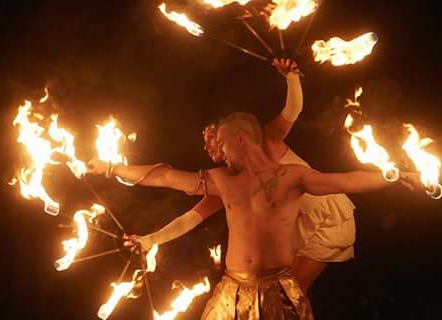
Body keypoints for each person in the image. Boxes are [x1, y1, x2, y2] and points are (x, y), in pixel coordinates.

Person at [88, 112, 419, 320]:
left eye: (222, 142)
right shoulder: (221, 181)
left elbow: (347, 180)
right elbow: (164, 177)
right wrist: (111, 168)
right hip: (231, 290)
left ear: (241, 139)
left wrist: (393, 176)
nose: (216, 150)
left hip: (280, 288)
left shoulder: (291, 176)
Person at [124, 58, 355, 295]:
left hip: (329, 218)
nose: (209, 149)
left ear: (235, 135)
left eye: (214, 140)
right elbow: (191, 218)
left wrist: (292, 77)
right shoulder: (231, 178)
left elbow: (293, 110)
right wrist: (152, 239)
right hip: (296, 223)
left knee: (289, 295)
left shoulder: (265, 141)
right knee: (276, 296)